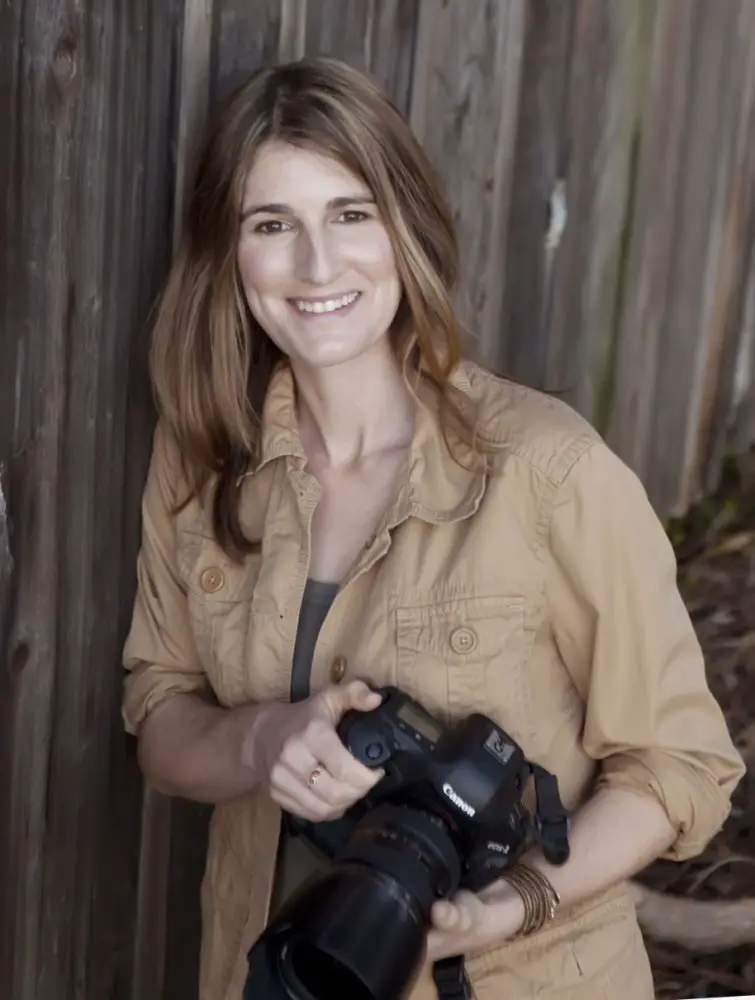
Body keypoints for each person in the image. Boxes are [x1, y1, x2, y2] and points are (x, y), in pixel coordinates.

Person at [121, 56, 745, 1000]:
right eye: (271, 224)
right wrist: (263, 740)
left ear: (404, 227)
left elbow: (678, 766)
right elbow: (158, 716)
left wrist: (509, 905)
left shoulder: (546, 472)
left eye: (350, 214)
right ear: (227, 252)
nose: (317, 266)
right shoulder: (205, 460)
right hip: (271, 972)